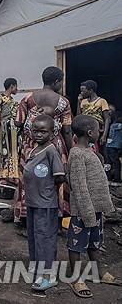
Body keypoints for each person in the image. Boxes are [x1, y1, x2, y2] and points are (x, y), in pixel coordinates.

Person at [67, 115, 118, 298]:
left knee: (95, 243)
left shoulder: (89, 151)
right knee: (76, 244)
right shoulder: (77, 154)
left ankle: (96, 273)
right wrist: (87, 212)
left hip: (95, 209)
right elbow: (79, 186)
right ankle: (76, 278)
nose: (100, 132)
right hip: (83, 210)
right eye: (98, 130)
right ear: (90, 133)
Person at [14, 66, 73, 221]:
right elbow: (67, 130)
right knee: (54, 178)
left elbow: (18, 123)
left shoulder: (27, 98)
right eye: (61, 82)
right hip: (54, 146)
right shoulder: (63, 102)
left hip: (30, 147)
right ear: (56, 81)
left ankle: (26, 213)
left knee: (29, 177)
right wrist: (70, 151)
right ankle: (56, 213)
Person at [23, 115, 65, 291]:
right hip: (33, 202)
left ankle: (48, 275)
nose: (38, 134)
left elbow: (59, 176)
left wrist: (46, 190)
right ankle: (36, 267)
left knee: (45, 238)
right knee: (34, 236)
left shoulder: (51, 151)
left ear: (52, 132)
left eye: (43, 131)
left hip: (45, 204)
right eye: (35, 131)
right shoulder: (34, 150)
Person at [0, 78, 19, 183]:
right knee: (4, 150)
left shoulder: (13, 101)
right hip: (4, 128)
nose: (17, 89)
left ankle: (12, 175)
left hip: (13, 129)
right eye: (16, 86)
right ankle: (3, 176)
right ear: (12, 86)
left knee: (13, 151)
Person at [77, 80, 111, 147]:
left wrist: (104, 135)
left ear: (91, 90)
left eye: (83, 90)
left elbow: (107, 119)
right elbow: (79, 116)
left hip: (98, 131)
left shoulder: (102, 101)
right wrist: (78, 102)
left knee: (97, 151)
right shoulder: (83, 102)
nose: (81, 93)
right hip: (85, 131)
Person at [106, 115, 122, 184]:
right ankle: (116, 179)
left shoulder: (112, 125)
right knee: (116, 164)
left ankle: (109, 178)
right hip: (113, 147)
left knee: (110, 163)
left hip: (110, 146)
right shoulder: (117, 125)